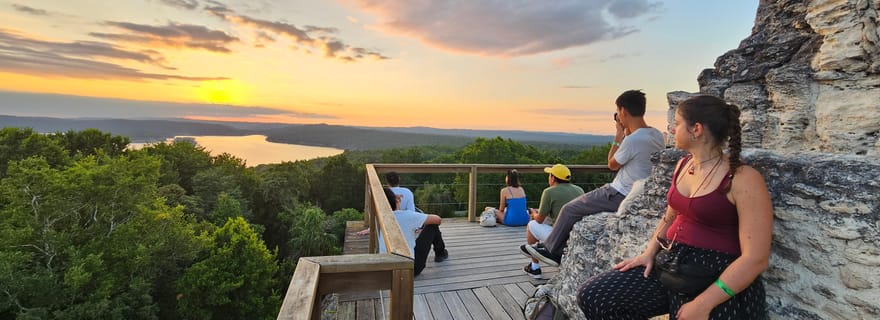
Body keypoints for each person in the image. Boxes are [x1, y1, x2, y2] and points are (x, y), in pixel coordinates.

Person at [576, 95, 772, 319]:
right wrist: (649, 252)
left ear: (696, 129)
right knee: (595, 296)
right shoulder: (684, 165)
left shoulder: (742, 178)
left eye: (676, 123)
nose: (670, 128)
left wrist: (702, 305)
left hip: (714, 276)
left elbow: (755, 258)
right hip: (672, 266)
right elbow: (669, 217)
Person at [525, 89, 665, 267]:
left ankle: (552, 250)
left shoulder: (633, 140)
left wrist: (618, 135)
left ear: (623, 110)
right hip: (640, 193)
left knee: (570, 209)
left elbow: (612, 164)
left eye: (618, 112)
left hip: (619, 193)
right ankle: (554, 247)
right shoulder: (656, 135)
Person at [519, 164, 584, 278]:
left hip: (560, 237)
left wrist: (533, 213)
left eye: (549, 175)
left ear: (553, 178)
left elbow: (539, 220)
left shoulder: (549, 192)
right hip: (576, 235)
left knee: (531, 225)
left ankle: (535, 268)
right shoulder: (579, 190)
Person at [377, 187, 449, 276]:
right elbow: (438, 219)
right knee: (432, 226)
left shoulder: (379, 218)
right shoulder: (407, 215)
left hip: (385, 268)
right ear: (397, 200)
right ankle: (440, 253)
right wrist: (422, 226)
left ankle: (440, 253)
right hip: (408, 269)